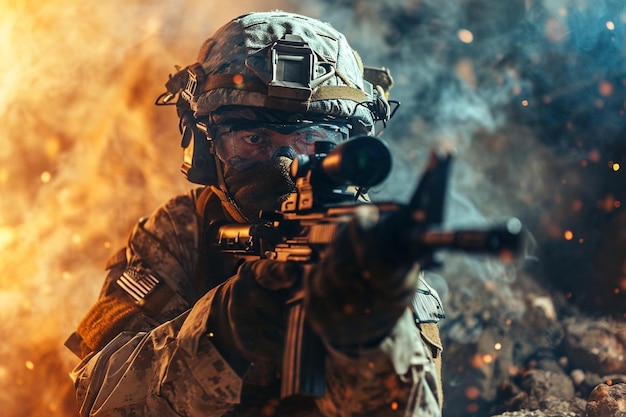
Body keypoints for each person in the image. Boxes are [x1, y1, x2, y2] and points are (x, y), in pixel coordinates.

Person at [65, 10, 445, 417]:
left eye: (311, 140)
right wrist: (222, 327)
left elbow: (409, 410)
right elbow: (96, 393)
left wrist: (368, 328)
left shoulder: (361, 242)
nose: (284, 164)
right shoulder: (179, 233)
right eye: (254, 139)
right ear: (207, 145)